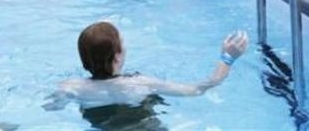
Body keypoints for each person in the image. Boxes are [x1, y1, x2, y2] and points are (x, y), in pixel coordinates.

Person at [47, 21, 248, 111]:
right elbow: (198, 90)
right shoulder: (141, 83)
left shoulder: (70, 87)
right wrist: (227, 59)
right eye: (123, 43)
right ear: (117, 57)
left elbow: (51, 108)